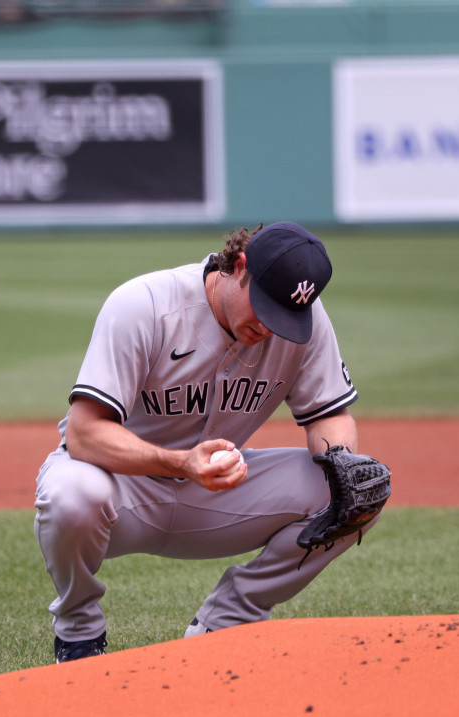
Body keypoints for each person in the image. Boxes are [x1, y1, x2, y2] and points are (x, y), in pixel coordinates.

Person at [34, 222, 382, 663]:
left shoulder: (302, 324)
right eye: (265, 308)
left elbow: (329, 414)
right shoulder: (146, 305)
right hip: (121, 488)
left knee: (354, 490)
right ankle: (79, 631)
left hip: (217, 493)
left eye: (286, 317)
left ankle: (228, 620)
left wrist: (340, 462)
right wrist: (182, 463)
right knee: (71, 493)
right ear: (239, 267)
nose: (271, 327)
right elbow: (84, 433)